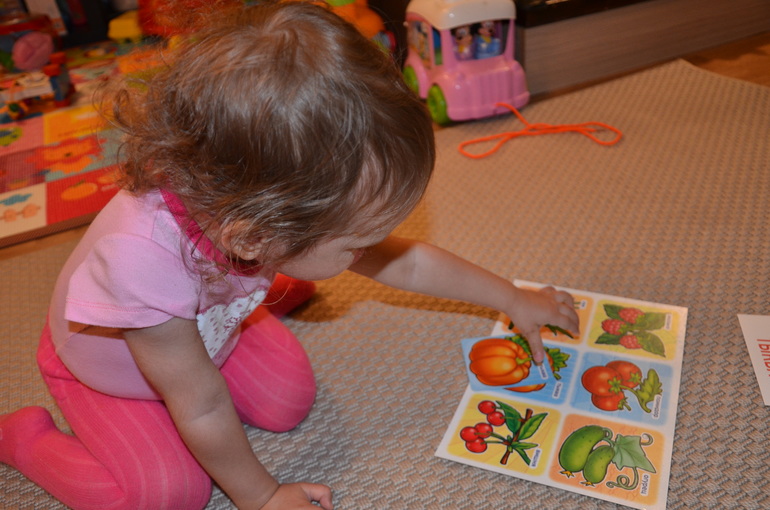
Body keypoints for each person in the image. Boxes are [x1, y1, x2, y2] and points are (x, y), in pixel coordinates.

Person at [0, 2, 579, 509]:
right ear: (256, 239)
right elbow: (199, 405)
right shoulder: (140, 261)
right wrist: (261, 496)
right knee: (169, 494)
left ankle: (279, 288)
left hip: (209, 326)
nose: (370, 252)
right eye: (356, 244)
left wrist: (513, 297)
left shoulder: (253, 208)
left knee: (288, 402)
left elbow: (409, 263)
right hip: (113, 367)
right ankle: (25, 440)